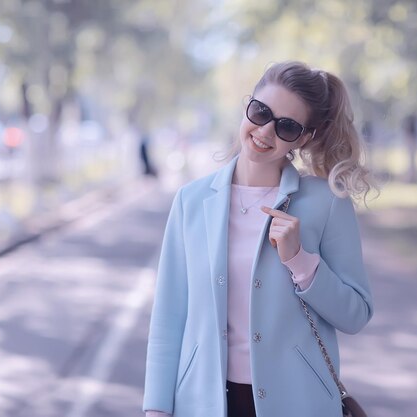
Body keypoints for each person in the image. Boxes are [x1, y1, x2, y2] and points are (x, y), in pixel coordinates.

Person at [143, 61, 375, 417]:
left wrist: (301, 260)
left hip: (298, 403)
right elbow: (168, 318)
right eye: (261, 112)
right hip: (202, 404)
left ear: (304, 137)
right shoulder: (191, 201)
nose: (265, 132)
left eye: (286, 126)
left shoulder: (327, 203)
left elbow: (356, 314)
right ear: (247, 105)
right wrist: (156, 409)